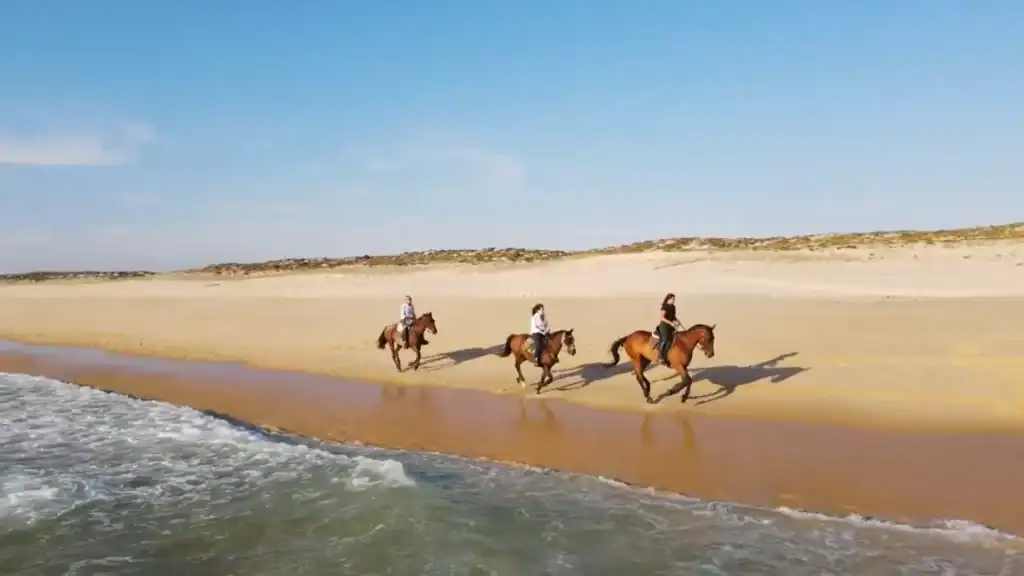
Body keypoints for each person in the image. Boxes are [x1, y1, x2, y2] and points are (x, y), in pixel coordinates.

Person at [656, 293, 682, 364]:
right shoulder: (665, 307)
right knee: (665, 339)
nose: (674, 301)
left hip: (671, 325)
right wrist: (670, 323)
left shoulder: (673, 307)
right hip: (664, 325)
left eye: (674, 299)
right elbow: (662, 317)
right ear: (668, 299)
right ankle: (660, 355)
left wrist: (677, 320)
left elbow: (673, 316)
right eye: (673, 299)